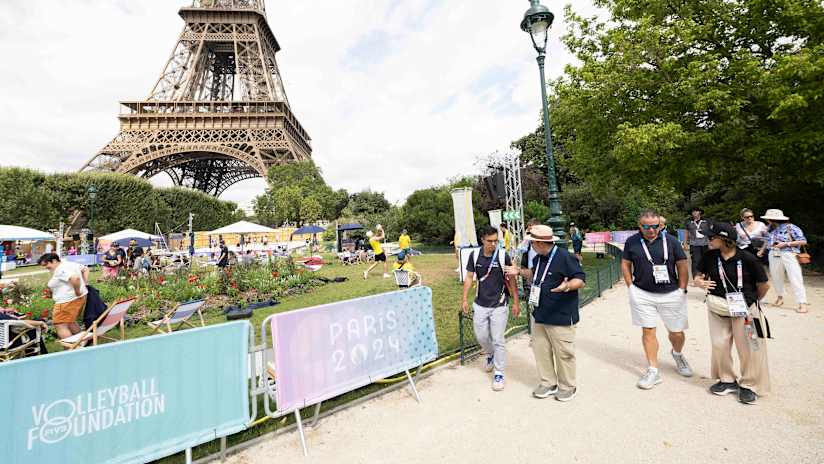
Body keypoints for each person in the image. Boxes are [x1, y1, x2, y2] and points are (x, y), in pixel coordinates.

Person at [693, 222, 770, 404]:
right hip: (718, 307)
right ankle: (727, 379)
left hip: (745, 310)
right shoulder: (710, 256)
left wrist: (750, 302)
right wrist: (699, 282)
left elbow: (764, 285)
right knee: (719, 344)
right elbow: (698, 276)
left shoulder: (749, 259)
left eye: (712, 237)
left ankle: (749, 384)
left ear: (725, 240)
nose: (708, 240)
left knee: (750, 347)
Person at [507, 225, 586, 401]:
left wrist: (567, 286)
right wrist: (519, 271)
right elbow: (534, 274)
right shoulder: (540, 258)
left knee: (563, 353)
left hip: (561, 315)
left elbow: (580, 279)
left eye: (532, 242)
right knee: (541, 350)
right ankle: (548, 382)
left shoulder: (565, 257)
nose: (531, 245)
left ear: (540, 243)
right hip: (540, 313)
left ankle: (567, 386)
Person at [622, 209, 693, 389]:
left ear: (660, 225)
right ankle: (653, 369)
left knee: (676, 332)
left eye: (655, 226)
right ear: (640, 225)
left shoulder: (671, 241)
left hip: (671, 293)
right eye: (646, 226)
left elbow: (682, 264)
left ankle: (677, 354)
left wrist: (682, 289)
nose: (651, 230)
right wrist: (630, 286)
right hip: (643, 293)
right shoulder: (632, 242)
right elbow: (625, 263)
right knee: (648, 331)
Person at [462, 226, 520, 391]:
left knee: (498, 339)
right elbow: (469, 278)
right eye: (490, 241)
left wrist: (515, 302)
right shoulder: (474, 255)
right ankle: (490, 354)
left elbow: (511, 281)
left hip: (499, 304)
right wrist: (464, 299)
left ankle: (499, 372)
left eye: (496, 241)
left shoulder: (503, 256)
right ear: (482, 239)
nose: (494, 244)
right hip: (480, 303)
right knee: (481, 336)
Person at [757, 209, 810, 313]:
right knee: (776, 277)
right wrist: (762, 251)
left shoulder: (791, 227)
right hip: (773, 253)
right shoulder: (769, 229)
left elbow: (803, 241)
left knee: (795, 278)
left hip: (789, 253)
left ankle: (802, 303)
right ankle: (780, 298)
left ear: (771, 219)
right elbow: (767, 241)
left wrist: (786, 244)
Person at [38, 253, 89, 342]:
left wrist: (77, 291)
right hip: (75, 299)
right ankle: (82, 343)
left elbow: (75, 278)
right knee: (70, 322)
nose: (46, 267)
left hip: (66, 302)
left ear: (54, 261)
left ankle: (71, 348)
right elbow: (85, 269)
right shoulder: (69, 264)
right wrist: (84, 284)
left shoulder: (60, 269)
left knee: (60, 325)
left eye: (46, 265)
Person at [684, 207, 712, 278]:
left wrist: (711, 242)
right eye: (693, 211)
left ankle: (705, 276)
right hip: (694, 244)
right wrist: (685, 243)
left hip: (705, 244)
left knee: (706, 260)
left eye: (696, 211)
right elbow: (686, 233)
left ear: (700, 212)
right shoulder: (688, 222)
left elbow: (711, 232)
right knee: (695, 261)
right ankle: (696, 277)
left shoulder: (707, 221)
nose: (694, 213)